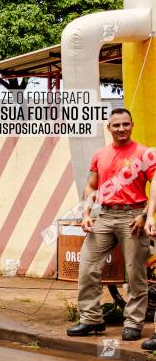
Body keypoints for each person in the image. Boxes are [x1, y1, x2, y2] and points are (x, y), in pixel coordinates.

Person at [71, 108, 155, 343]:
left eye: (125, 124)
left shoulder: (143, 153)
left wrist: (146, 215)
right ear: (108, 128)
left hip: (134, 217)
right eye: (116, 125)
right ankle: (91, 319)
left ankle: (133, 323)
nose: (121, 129)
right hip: (105, 216)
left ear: (132, 125)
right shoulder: (100, 154)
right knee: (87, 266)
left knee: (136, 273)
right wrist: (86, 212)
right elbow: (91, 186)